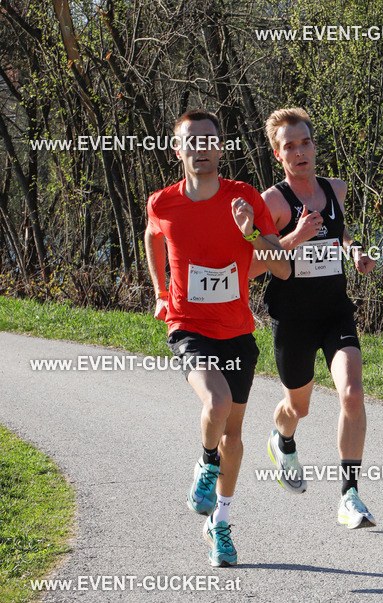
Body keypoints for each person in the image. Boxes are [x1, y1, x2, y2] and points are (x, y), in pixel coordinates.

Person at [145, 109, 289, 565]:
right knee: (217, 404)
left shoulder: (244, 197)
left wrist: (250, 235)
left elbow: (283, 267)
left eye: (209, 141)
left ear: (220, 148)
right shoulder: (162, 204)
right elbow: (152, 238)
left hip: (237, 333)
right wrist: (160, 291)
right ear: (178, 150)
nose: (201, 149)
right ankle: (205, 465)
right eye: (192, 141)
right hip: (188, 327)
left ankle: (220, 523)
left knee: (235, 434)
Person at [251, 107, 377, 529]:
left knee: (353, 394)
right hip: (293, 320)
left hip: (334, 313)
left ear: (314, 145)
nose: (300, 152)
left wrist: (353, 249)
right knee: (297, 407)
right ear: (278, 154)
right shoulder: (271, 202)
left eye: (305, 143)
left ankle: (349, 495)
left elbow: (339, 231)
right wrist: (294, 237)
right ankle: (282, 438)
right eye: (290, 146)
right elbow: (257, 262)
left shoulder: (335, 189)